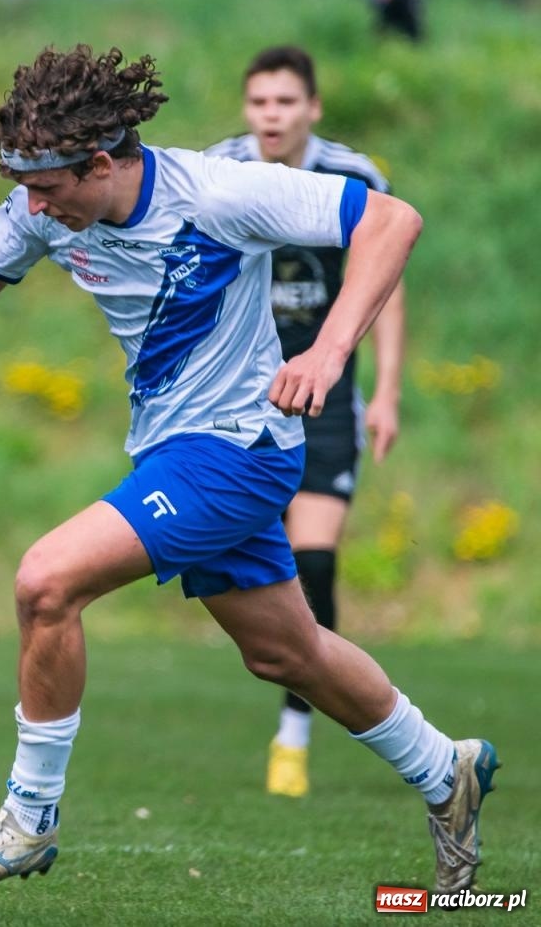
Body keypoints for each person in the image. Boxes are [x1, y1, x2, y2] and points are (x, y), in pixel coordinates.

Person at [0, 45, 497, 895]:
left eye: (46, 187)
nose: (31, 206)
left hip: (237, 451)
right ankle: (443, 768)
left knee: (46, 581)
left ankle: (28, 818)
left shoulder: (219, 191)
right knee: (287, 651)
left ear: (98, 163)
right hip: (176, 449)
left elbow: (394, 221)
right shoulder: (47, 205)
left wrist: (328, 348)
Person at [206, 44, 404, 799]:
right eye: (259, 102)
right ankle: (307, 690)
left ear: (311, 108)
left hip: (325, 399)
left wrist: (385, 391)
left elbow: (386, 283)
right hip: (238, 399)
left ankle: (295, 732)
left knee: (313, 559)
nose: (271, 116)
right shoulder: (217, 168)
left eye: (285, 102)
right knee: (255, 568)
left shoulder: (354, 178)